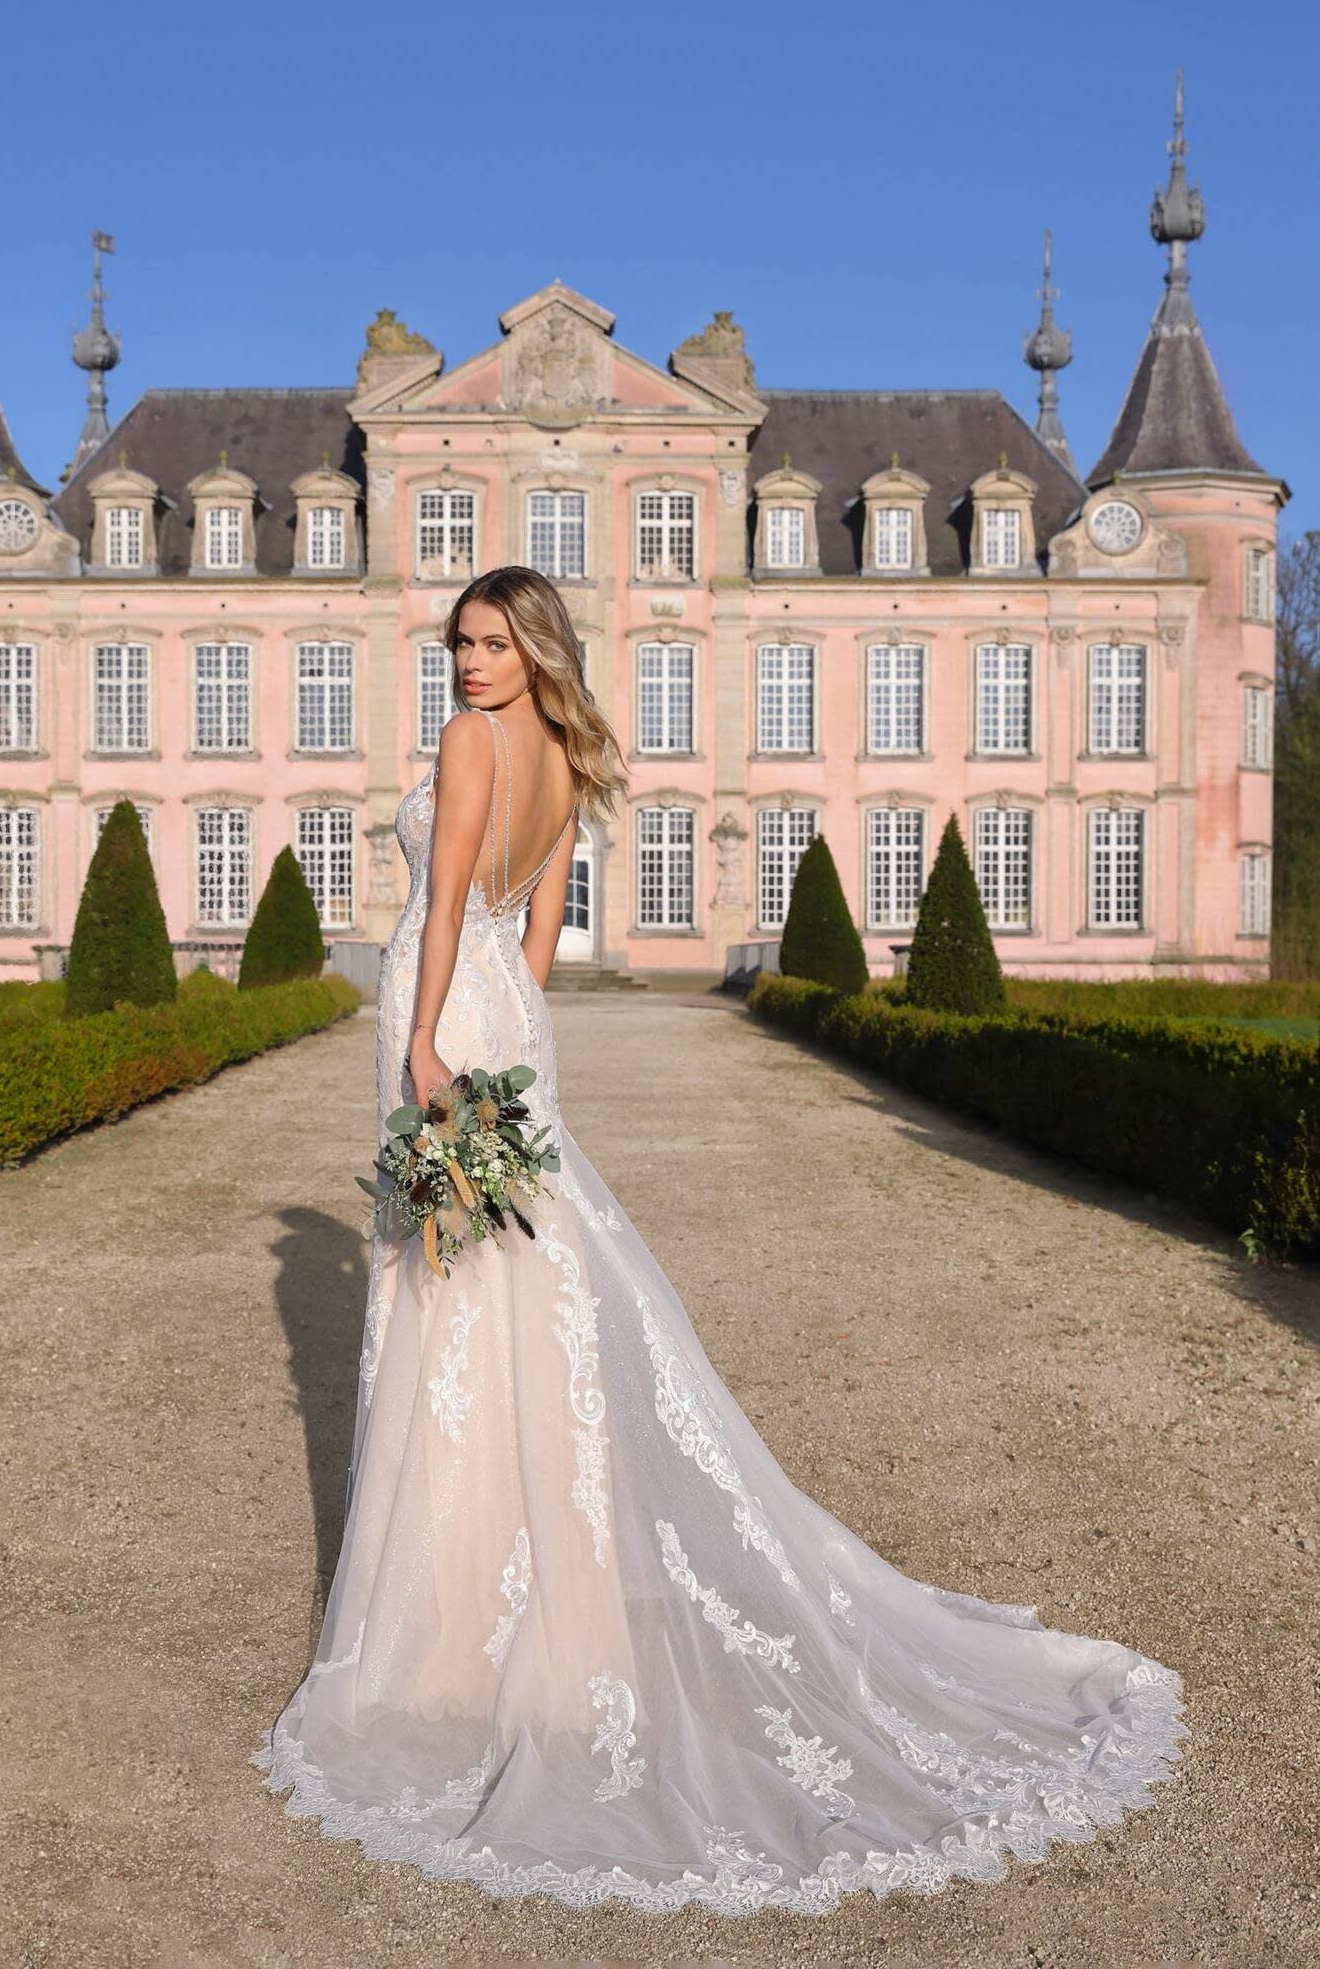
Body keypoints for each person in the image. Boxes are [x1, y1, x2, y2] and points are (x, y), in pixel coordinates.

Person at [252, 566, 1186, 1918]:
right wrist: (507, 1036)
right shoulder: (569, 760)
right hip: (512, 1017)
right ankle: (541, 1615)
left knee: (450, 1296)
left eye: (492, 643)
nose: (467, 664)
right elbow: (539, 934)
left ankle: (451, 1636)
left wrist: (423, 1047)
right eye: (459, 643)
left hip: (444, 1008)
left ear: (535, 650)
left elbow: (445, 901)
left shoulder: (467, 743)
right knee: (524, 1291)